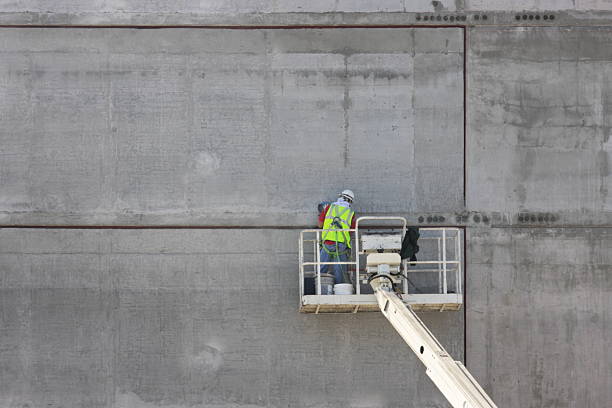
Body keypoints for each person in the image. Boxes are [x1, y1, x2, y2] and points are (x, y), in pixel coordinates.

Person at [318, 189, 356, 286]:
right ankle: (340, 290)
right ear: (350, 201)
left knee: (322, 269)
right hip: (341, 246)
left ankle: (319, 287)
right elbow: (351, 232)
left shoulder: (330, 208)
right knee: (340, 271)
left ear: (340, 196)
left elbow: (320, 224)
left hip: (327, 243)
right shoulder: (351, 213)